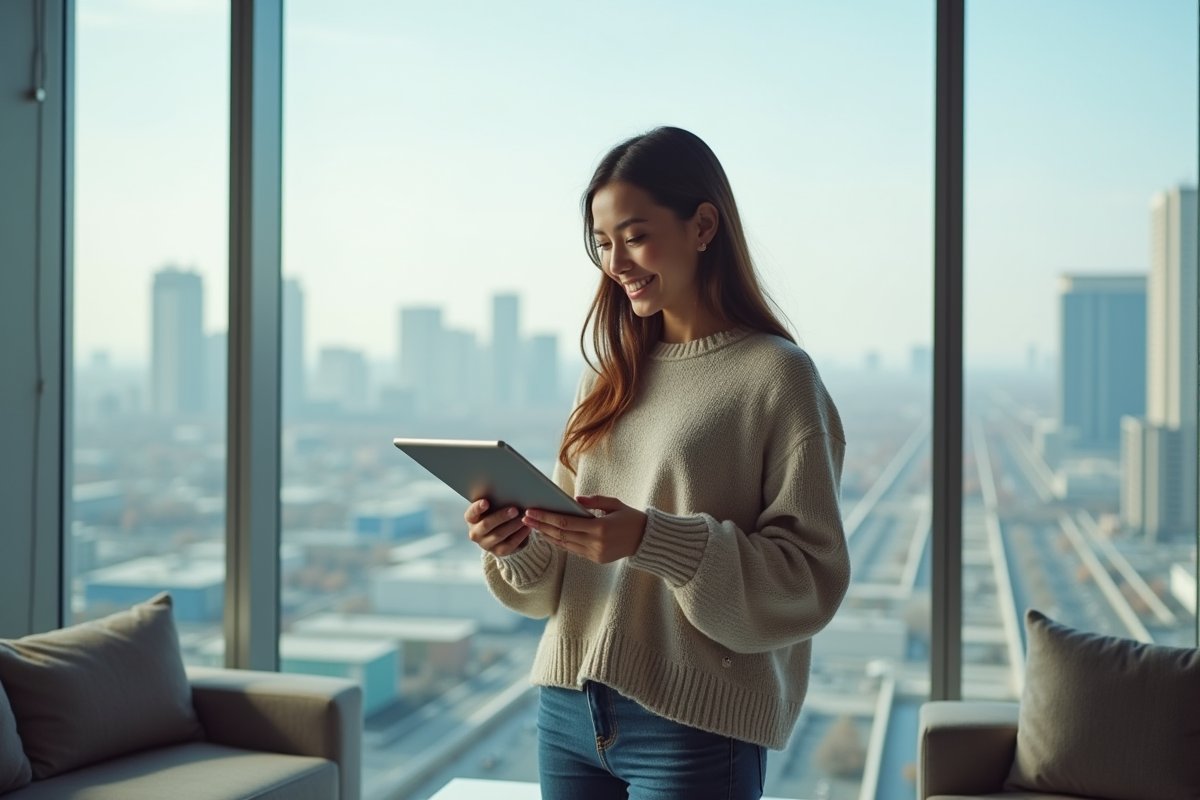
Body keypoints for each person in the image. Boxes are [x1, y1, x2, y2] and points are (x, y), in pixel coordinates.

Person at [465, 126, 851, 800]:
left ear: (703, 225)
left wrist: (653, 540)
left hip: (695, 726)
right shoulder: (606, 380)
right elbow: (549, 583)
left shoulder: (777, 378)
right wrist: (517, 544)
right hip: (566, 709)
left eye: (635, 235)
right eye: (603, 242)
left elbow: (809, 579)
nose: (616, 261)